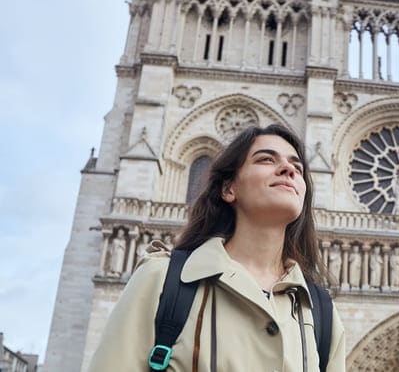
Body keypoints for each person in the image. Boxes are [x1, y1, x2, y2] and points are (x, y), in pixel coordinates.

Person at [89, 125, 346, 371]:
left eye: (297, 167)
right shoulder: (162, 280)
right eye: (266, 159)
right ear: (228, 188)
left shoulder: (322, 313)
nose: (288, 169)